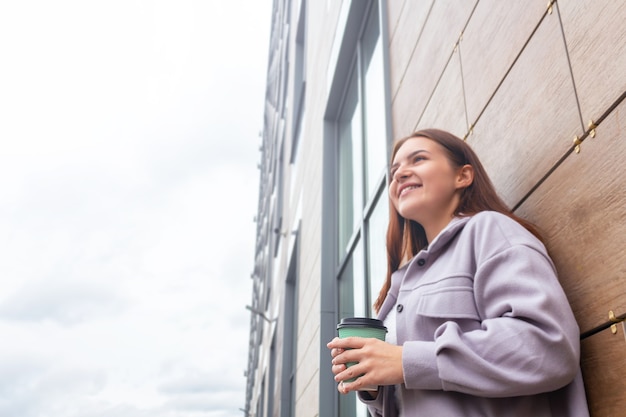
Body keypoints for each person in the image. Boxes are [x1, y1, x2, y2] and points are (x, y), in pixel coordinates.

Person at [327, 129, 590, 416]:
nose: (400, 174)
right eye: (395, 170)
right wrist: (373, 385)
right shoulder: (401, 282)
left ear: (462, 176)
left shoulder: (489, 230)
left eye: (418, 159)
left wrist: (405, 361)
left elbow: (547, 347)